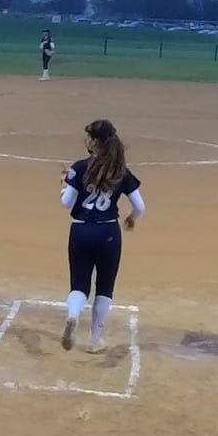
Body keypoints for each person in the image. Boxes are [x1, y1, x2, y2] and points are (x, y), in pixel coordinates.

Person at [58, 119, 144, 354]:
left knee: (79, 285)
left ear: (95, 142)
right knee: (105, 287)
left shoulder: (79, 168)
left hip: (80, 230)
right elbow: (140, 206)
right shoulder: (120, 170)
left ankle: (73, 314)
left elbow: (66, 203)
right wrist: (131, 219)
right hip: (108, 233)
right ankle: (95, 340)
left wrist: (64, 183)